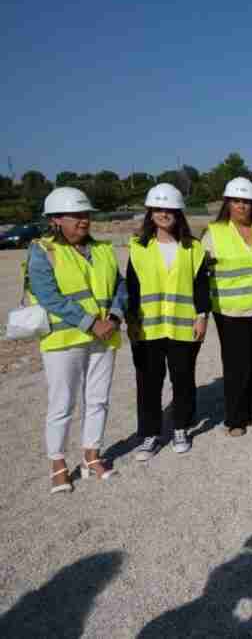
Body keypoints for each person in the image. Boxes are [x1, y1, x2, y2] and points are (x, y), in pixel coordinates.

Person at [26, 187, 126, 493]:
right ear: (56, 219)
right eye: (77, 216)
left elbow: (121, 286)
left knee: (97, 399)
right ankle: (57, 464)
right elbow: (47, 296)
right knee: (62, 403)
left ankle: (91, 457)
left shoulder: (103, 249)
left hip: (103, 335)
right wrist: (90, 323)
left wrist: (115, 318)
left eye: (87, 215)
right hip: (64, 339)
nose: (84, 221)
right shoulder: (43, 251)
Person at [126, 183, 210, 459]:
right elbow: (132, 287)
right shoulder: (138, 248)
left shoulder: (192, 248)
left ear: (178, 213)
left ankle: (180, 428)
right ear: (150, 213)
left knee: (183, 379)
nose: (164, 214)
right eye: (158, 209)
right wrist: (132, 321)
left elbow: (200, 286)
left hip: (183, 326)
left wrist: (202, 316)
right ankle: (150, 435)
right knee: (149, 382)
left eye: (169, 209)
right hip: (148, 328)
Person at [202, 177, 252, 437]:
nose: (241, 206)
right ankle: (235, 417)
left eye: (246, 201)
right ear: (228, 203)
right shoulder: (214, 232)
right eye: (236, 201)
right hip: (230, 311)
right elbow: (202, 272)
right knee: (235, 365)